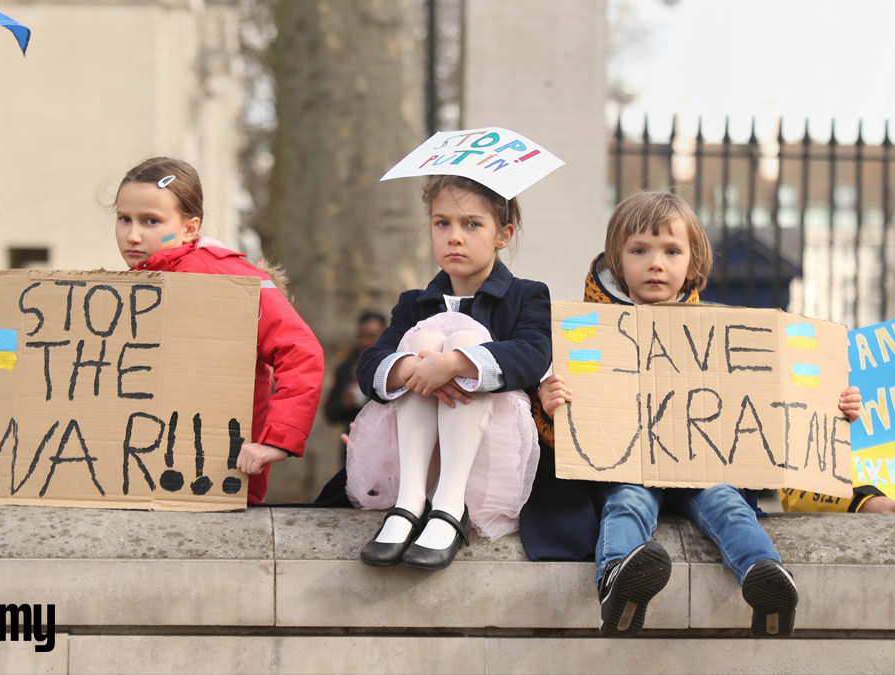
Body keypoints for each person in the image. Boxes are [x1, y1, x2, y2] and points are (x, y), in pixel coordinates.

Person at [534, 190, 862, 638]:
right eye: (639, 250)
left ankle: (766, 580)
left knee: (728, 505)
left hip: (701, 466)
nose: (655, 263)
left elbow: (777, 403)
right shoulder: (586, 332)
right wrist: (551, 403)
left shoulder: (719, 329)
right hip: (628, 466)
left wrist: (831, 406)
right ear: (616, 258)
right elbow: (561, 433)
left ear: (692, 264)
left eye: (671, 251)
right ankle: (617, 584)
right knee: (625, 504)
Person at [0, 157, 324, 506]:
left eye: (151, 221)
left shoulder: (228, 277)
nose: (133, 235)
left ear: (190, 227)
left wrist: (277, 440)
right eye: (124, 220)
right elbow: (52, 376)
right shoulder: (125, 292)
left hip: (210, 483)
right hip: (129, 480)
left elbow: (301, 350)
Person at [346, 174, 551, 570]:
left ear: (503, 234)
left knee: (461, 342)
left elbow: (534, 354)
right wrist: (415, 367)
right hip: (417, 462)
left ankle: (449, 505)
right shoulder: (413, 304)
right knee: (423, 342)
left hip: (487, 458)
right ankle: (410, 502)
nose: (454, 236)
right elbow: (369, 366)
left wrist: (455, 364)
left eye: (472, 224)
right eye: (442, 223)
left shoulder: (527, 295)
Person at [324, 312, 387, 433]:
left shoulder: (393, 367)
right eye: (362, 336)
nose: (365, 342)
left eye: (372, 336)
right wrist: (343, 403)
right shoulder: (347, 367)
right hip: (353, 439)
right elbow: (330, 413)